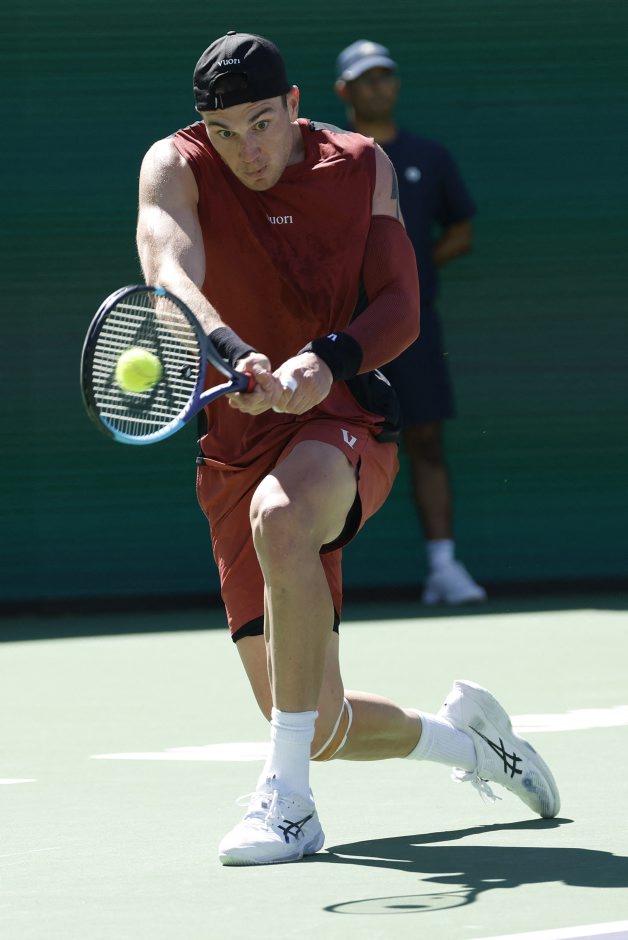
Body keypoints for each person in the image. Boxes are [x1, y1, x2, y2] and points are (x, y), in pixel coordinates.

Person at [135, 31, 560, 867]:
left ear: (295, 105)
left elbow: (400, 304)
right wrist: (232, 352)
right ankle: (478, 746)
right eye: (225, 132)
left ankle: (290, 807)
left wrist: (324, 361)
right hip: (234, 444)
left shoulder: (361, 162)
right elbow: (168, 275)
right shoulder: (174, 165)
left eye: (263, 123)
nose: (247, 150)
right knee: (313, 721)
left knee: (283, 517)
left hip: (342, 419)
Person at [335, 40, 487, 605]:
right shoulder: (326, 160)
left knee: (426, 441)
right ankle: (313, 570)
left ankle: (443, 569)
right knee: (328, 445)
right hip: (343, 333)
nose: (378, 86)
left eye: (385, 76)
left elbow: (461, 233)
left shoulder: (430, 155)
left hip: (415, 330)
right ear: (345, 90)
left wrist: (405, 277)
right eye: (366, 78)